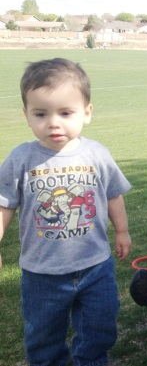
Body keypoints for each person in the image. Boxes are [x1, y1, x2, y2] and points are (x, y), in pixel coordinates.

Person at [0, 58, 132, 366]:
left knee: (98, 327)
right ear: (26, 115)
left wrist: (122, 231)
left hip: (95, 266)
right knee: (44, 335)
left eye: (65, 112)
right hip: (41, 273)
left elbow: (113, 195)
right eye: (41, 114)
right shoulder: (21, 158)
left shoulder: (97, 154)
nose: (53, 122)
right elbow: (4, 203)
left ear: (86, 113)